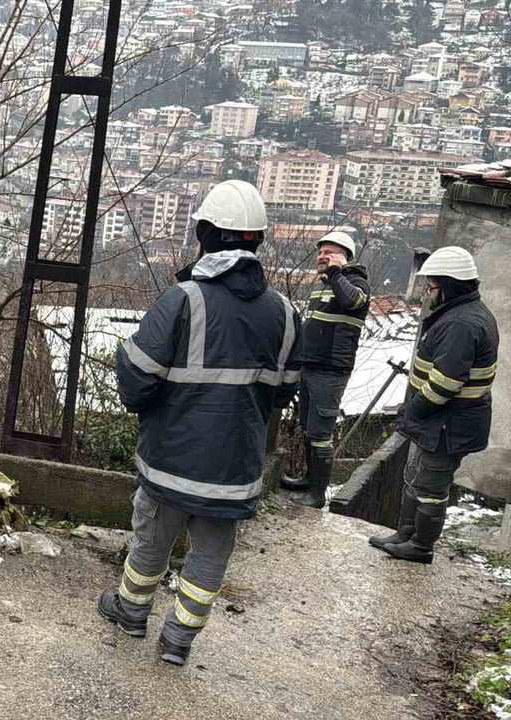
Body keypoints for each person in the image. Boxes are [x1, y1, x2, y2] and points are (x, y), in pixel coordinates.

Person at [96, 180, 303, 666]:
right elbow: (284, 392)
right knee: (211, 555)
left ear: (204, 234)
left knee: (152, 541)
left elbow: (136, 376)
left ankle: (130, 612)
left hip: (171, 456)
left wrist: (154, 409)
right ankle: (178, 640)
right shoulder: (286, 314)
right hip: (235, 468)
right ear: (258, 241)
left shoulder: (183, 299)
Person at [370, 246, 498, 564]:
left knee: (430, 487)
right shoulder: (458, 315)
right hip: (435, 423)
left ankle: (421, 546)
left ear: (449, 286)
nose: (428, 291)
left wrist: (412, 410)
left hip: (446, 424)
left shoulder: (461, 325)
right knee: (414, 476)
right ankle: (406, 534)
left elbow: (443, 385)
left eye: (432, 286)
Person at [280, 231, 371, 508]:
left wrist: (335, 272)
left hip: (331, 369)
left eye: (329, 252)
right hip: (311, 365)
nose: (321, 257)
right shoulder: (323, 284)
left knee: (321, 433)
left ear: (344, 257)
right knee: (309, 428)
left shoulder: (355, 282)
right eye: (320, 252)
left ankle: (317, 495)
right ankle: (308, 481)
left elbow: (353, 301)